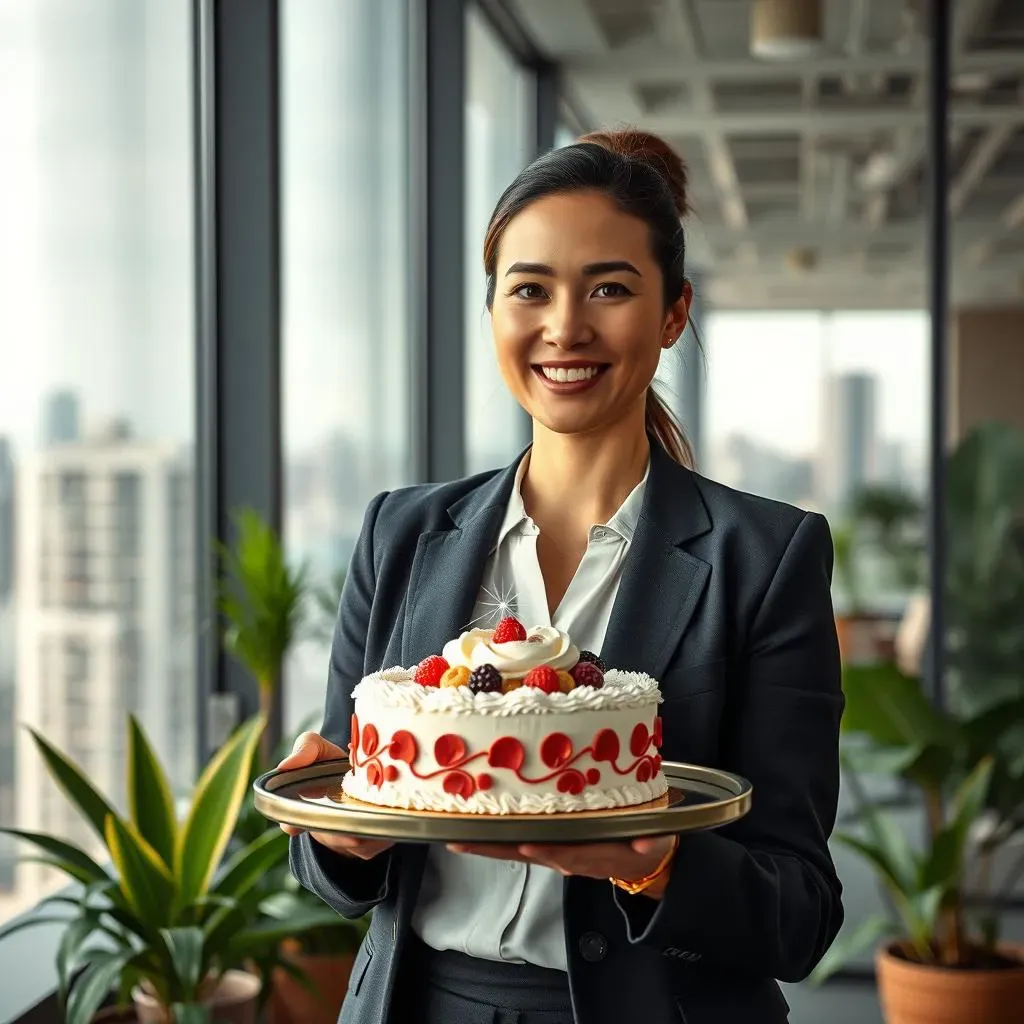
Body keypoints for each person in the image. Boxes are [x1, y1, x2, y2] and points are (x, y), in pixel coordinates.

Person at [279, 128, 844, 1024]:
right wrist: (338, 840)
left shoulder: (765, 557)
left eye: (609, 289)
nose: (565, 327)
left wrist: (652, 862)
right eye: (529, 290)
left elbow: (801, 915)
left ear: (672, 314)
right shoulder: (401, 532)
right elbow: (337, 867)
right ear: (495, 311)